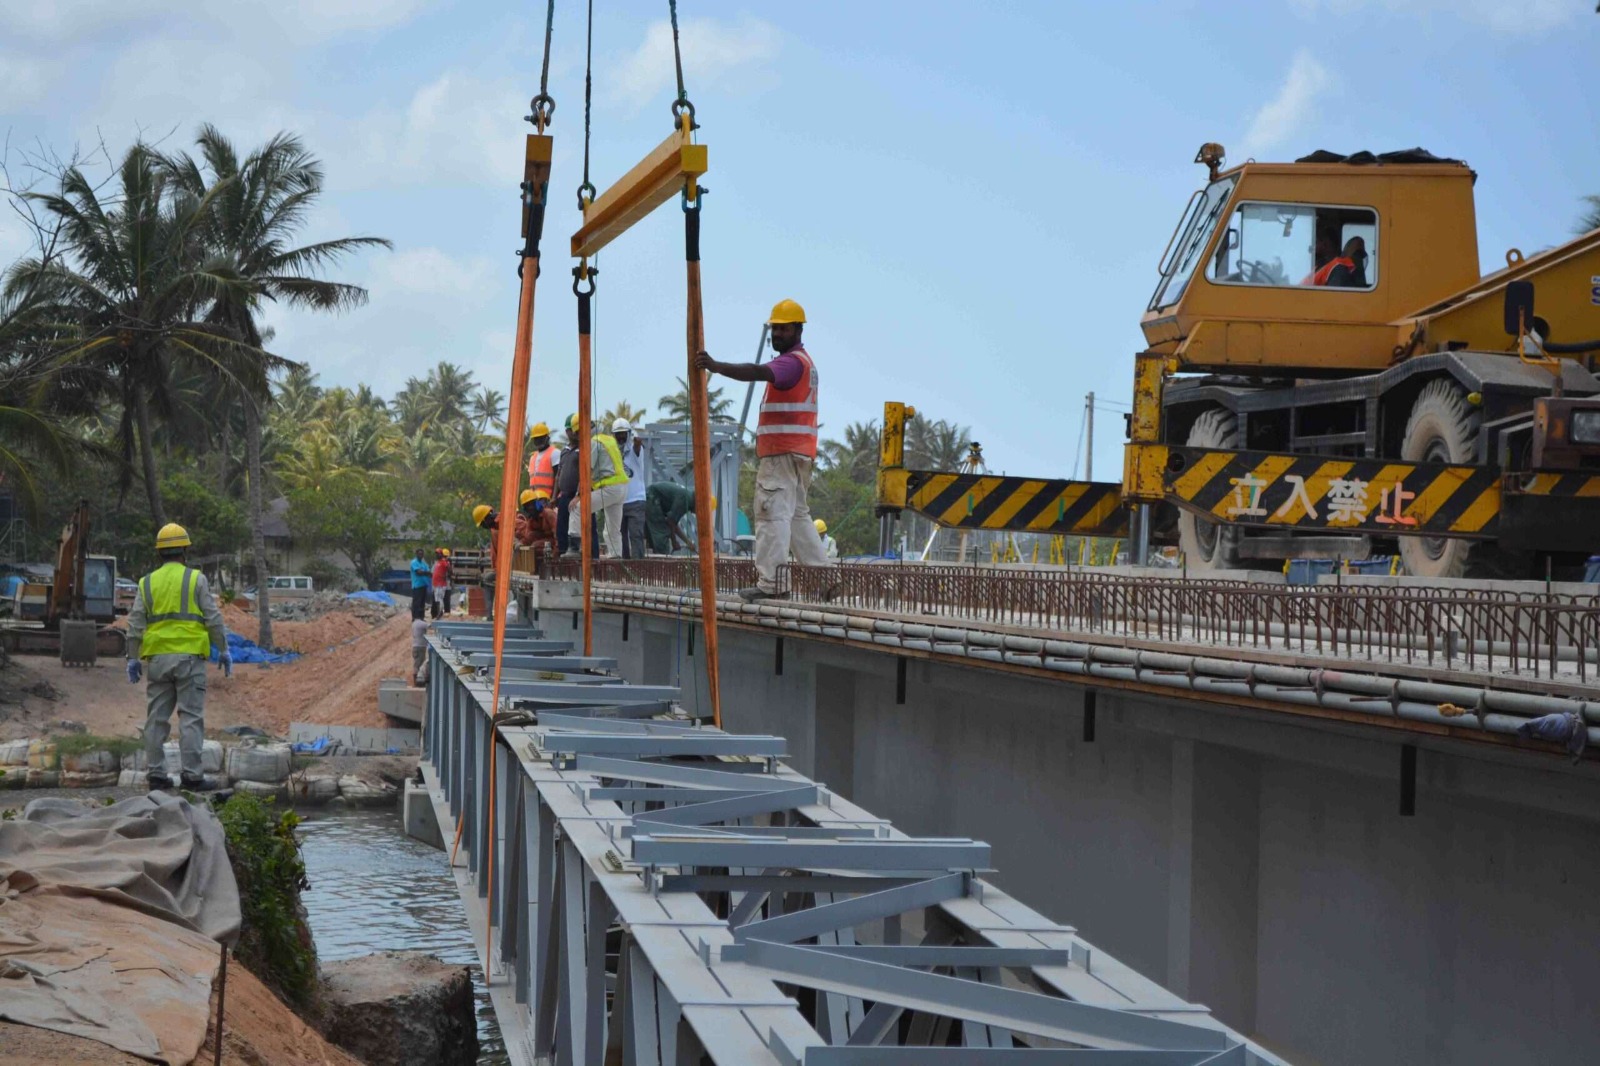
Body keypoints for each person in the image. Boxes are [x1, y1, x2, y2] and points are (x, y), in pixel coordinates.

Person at [695, 298, 834, 601]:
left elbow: (756, 371)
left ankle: (772, 585)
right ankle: (826, 581)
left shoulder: (790, 363)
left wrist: (716, 367)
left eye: (784, 329)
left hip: (781, 455)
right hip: (799, 454)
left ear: (798, 330)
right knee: (797, 518)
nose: (778, 334)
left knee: (771, 515)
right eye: (775, 328)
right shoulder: (806, 364)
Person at [125, 523, 230, 792]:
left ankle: (157, 776)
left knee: (156, 719)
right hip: (189, 659)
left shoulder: (146, 583)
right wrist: (223, 648)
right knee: (190, 718)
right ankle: (192, 777)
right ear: (184, 550)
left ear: (159, 552)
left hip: (158, 660)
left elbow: (135, 623)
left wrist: (132, 657)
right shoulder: (196, 579)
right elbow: (213, 618)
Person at [562, 413, 627, 558]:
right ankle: (616, 558)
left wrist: (578, 496)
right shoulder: (608, 439)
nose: (578, 438)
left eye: (577, 434)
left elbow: (586, 473)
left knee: (577, 508)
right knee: (612, 530)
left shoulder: (593, 443)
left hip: (609, 488)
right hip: (621, 488)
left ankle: (574, 548)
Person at [615, 419, 648, 558]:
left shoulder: (634, 450)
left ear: (628, 433)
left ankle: (638, 565)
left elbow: (637, 447)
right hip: (620, 501)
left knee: (636, 535)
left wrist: (637, 442)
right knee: (620, 536)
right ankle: (624, 565)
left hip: (636, 501)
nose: (621, 437)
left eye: (623, 434)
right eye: (618, 434)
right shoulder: (615, 453)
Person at [645, 482, 702, 554]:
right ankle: (662, 558)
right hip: (652, 498)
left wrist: (688, 542)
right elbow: (671, 522)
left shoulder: (688, 497)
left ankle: (655, 553)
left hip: (651, 497)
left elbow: (674, 524)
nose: (698, 514)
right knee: (662, 534)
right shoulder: (686, 499)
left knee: (658, 534)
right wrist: (674, 541)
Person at [515, 488, 560, 569]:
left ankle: (545, 565)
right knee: (533, 540)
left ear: (536, 503)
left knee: (535, 546)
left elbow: (558, 535)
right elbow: (529, 537)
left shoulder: (548, 514)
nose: (530, 508)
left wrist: (555, 553)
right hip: (546, 545)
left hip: (555, 544)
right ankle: (538, 567)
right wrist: (520, 543)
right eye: (527, 506)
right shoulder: (531, 520)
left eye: (531, 505)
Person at [526, 420, 556, 495]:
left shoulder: (554, 453)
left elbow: (558, 478)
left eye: (541, 438)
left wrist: (554, 498)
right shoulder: (533, 458)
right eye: (536, 438)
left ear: (547, 438)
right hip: (535, 498)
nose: (538, 441)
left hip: (549, 497)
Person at [408, 547, 431, 619]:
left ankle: (421, 618)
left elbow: (429, 572)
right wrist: (426, 573)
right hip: (417, 586)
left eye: (422, 554)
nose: (421, 555)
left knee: (422, 603)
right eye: (419, 554)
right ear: (416, 554)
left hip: (424, 585)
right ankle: (415, 618)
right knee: (416, 603)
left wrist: (425, 572)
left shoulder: (424, 563)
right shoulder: (414, 562)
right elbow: (418, 572)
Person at [430, 547, 452, 618]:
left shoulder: (445, 562)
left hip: (442, 585)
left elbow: (450, 572)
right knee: (437, 600)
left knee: (442, 600)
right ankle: (437, 614)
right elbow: (432, 573)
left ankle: (441, 613)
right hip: (437, 584)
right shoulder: (437, 563)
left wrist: (446, 576)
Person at [411, 616, 430, 687]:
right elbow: (431, 626)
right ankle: (418, 682)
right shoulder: (422, 623)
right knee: (419, 664)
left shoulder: (414, 623)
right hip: (420, 647)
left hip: (415, 646)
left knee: (416, 665)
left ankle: (417, 682)